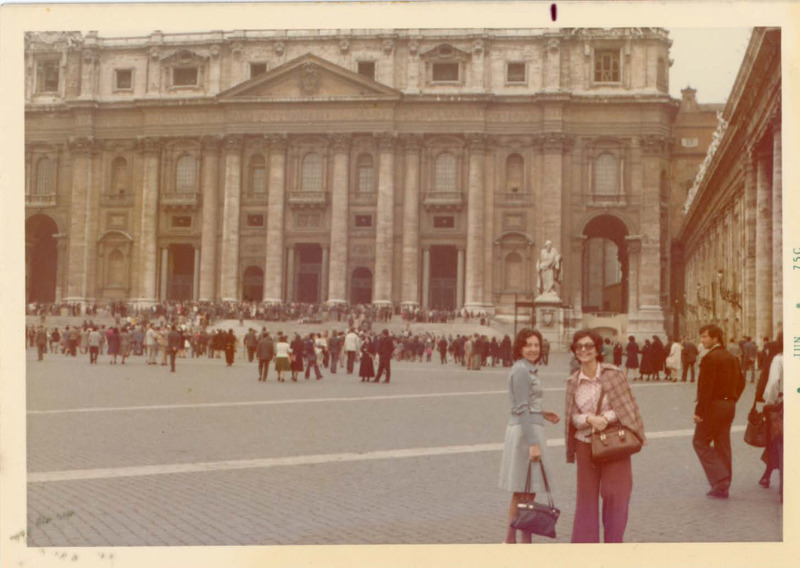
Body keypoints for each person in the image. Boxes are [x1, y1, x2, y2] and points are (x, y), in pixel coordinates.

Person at [564, 329, 646, 543]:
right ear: (574, 350)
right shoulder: (572, 382)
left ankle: (613, 545)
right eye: (579, 346)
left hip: (615, 442)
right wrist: (589, 419)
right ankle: (586, 548)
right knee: (586, 500)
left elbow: (625, 407)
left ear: (598, 349)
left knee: (616, 496)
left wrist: (604, 419)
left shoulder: (613, 374)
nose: (584, 350)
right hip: (585, 444)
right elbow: (572, 417)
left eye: (589, 346)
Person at [498, 328, 560, 544]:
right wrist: (533, 444)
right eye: (528, 345)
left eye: (536, 345)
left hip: (530, 428)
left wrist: (543, 413)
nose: (533, 349)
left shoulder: (528, 369)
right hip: (526, 434)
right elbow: (522, 408)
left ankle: (521, 540)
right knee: (521, 492)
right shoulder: (521, 371)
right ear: (520, 347)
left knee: (528, 491)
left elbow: (526, 403)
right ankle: (511, 541)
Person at [693, 324, 745, 499]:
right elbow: (742, 382)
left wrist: (699, 412)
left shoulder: (710, 358)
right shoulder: (732, 357)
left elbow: (705, 389)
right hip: (729, 405)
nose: (702, 340)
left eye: (705, 336)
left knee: (700, 441)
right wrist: (732, 399)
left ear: (715, 338)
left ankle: (720, 478)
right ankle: (723, 486)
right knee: (722, 443)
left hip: (713, 406)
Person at [758, 332, 783, 495]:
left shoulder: (779, 359)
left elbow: (773, 382)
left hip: (781, 404)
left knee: (775, 439)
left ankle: (769, 475)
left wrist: (769, 402)